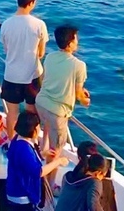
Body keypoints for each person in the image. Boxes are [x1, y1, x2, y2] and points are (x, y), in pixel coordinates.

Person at [0, 0, 48, 139]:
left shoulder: (6, 24)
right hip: (32, 75)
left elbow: (6, 49)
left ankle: (12, 143)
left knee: (12, 113)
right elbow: (40, 53)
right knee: (32, 111)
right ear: (32, 3)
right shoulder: (39, 25)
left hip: (11, 74)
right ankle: (31, 141)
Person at [34, 25, 89, 154]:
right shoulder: (79, 65)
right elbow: (78, 95)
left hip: (41, 103)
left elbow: (49, 77)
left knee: (47, 126)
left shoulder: (50, 57)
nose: (77, 42)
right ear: (69, 44)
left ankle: (43, 150)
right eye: (75, 39)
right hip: (57, 112)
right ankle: (47, 173)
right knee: (56, 151)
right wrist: (84, 101)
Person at [5, 111, 68, 211]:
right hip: (22, 197)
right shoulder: (24, 148)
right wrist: (58, 161)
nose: (39, 129)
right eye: (38, 127)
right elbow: (38, 172)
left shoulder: (17, 140)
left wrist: (43, 154)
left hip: (14, 190)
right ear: (32, 130)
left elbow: (22, 161)